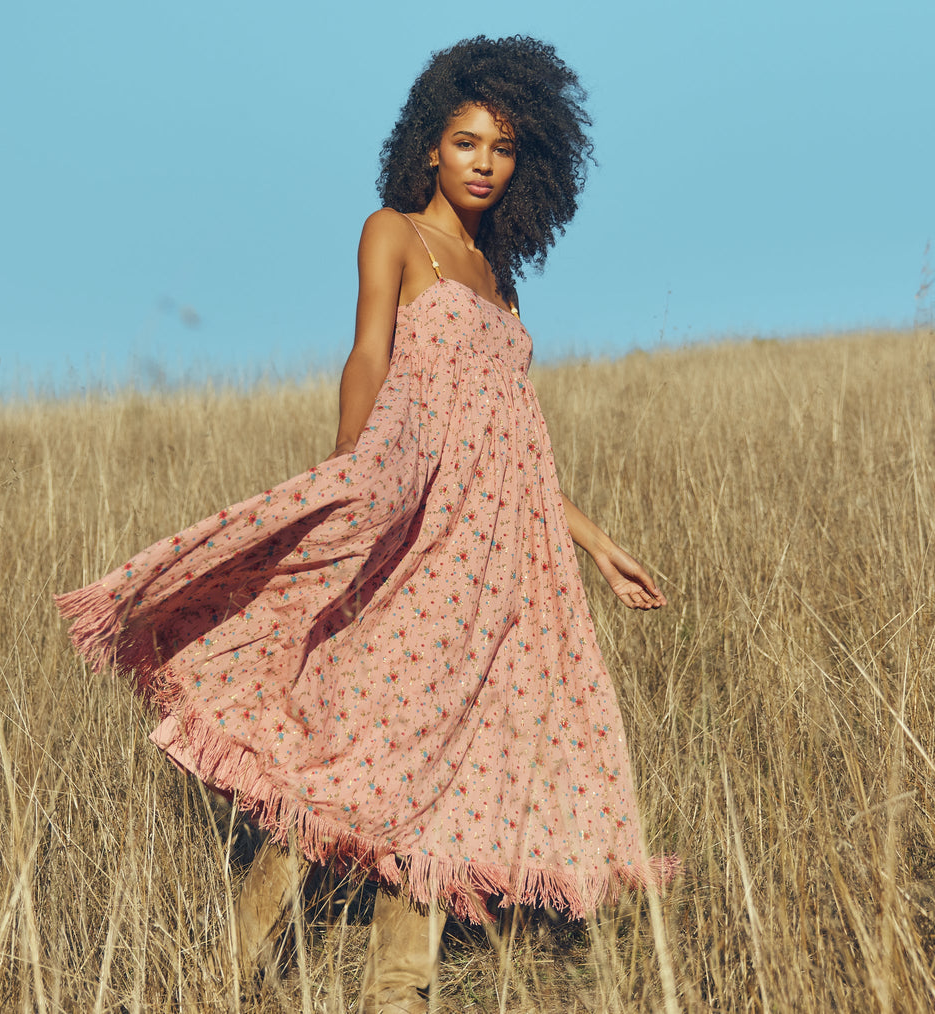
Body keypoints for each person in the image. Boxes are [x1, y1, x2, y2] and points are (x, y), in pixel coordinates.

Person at [56, 35, 677, 1014]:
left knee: (441, 791)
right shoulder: (393, 232)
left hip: (498, 564)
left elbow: (514, 446)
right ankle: (228, 984)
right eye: (465, 141)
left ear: (525, 163)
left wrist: (595, 546)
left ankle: (398, 993)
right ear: (429, 147)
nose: (482, 161)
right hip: (410, 542)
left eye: (501, 147)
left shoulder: (498, 276)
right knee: (347, 771)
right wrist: (351, 491)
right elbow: (366, 359)